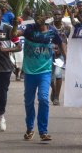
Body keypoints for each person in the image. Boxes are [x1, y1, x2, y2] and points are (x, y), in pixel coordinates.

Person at [11, 8, 66, 141]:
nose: (39, 18)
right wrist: (14, 25)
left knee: (43, 99)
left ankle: (43, 131)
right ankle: (30, 128)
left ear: (47, 17)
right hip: (29, 72)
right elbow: (13, 35)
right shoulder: (29, 29)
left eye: (42, 15)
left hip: (45, 71)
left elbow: (61, 43)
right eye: (37, 15)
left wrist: (67, 58)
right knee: (29, 102)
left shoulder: (52, 31)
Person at [49, 9, 71, 106]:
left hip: (60, 54)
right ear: (53, 15)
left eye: (59, 14)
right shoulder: (48, 26)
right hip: (49, 53)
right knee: (49, 77)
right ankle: (53, 91)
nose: (57, 16)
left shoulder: (67, 28)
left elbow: (68, 41)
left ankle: (57, 97)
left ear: (62, 15)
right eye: (55, 14)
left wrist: (65, 53)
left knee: (58, 74)